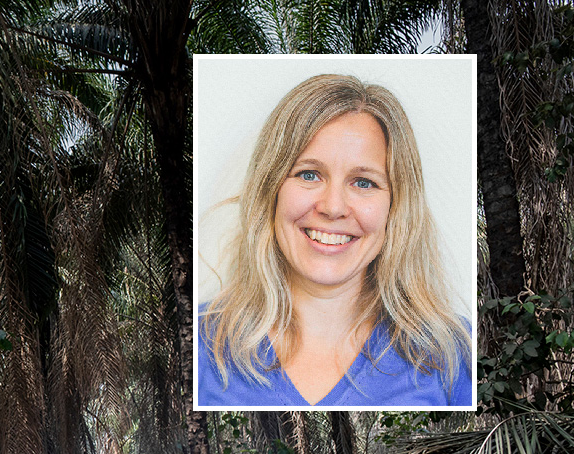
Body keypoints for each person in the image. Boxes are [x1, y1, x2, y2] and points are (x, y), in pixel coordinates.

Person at [198, 73, 470, 407]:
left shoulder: (454, 353)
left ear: (396, 207)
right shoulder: (197, 347)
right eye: (308, 174)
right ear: (271, 191)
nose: (333, 207)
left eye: (364, 182)